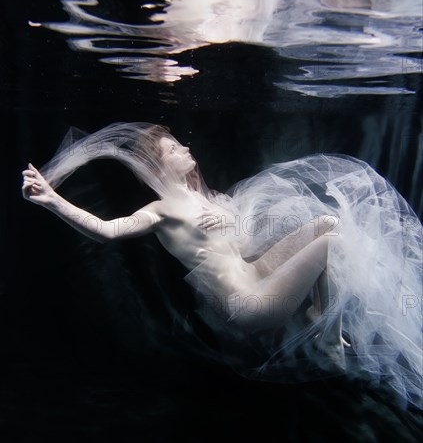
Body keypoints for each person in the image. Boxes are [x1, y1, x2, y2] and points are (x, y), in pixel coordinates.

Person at [21, 122, 422, 408]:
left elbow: (246, 240)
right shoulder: (162, 209)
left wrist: (232, 221)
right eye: (174, 149)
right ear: (158, 166)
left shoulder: (203, 197)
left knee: (328, 224)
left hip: (259, 275)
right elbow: (107, 230)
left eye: (179, 144)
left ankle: (320, 313)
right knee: (333, 244)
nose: (184, 149)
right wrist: (54, 200)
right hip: (247, 304)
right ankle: (328, 338)